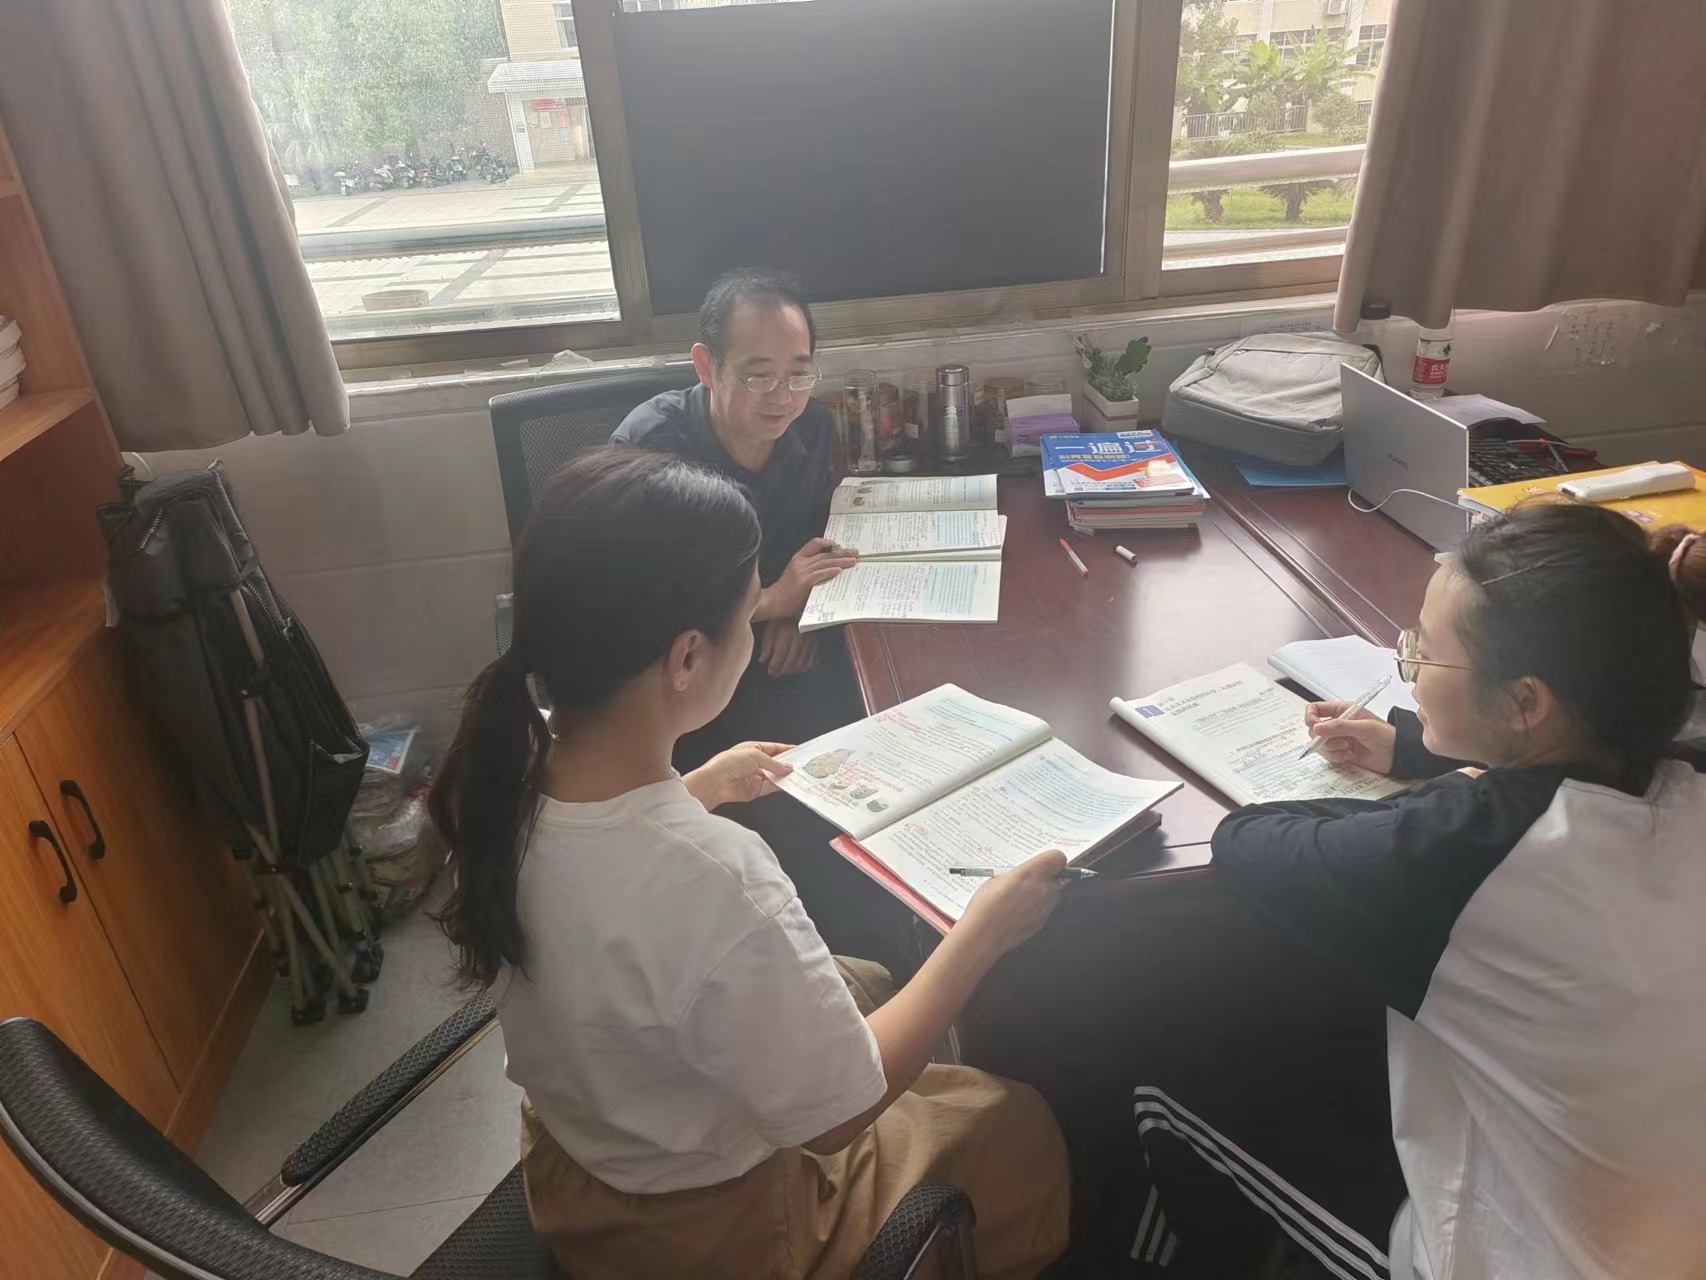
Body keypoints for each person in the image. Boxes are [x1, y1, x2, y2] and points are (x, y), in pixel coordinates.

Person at [428, 446, 1071, 1280]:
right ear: (688, 658)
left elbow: (608, 875)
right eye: (748, 613)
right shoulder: (721, 876)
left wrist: (697, 786)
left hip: (579, 1171)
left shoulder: (499, 788)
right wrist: (981, 934)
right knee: (1014, 1119)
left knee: (866, 981)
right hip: (718, 1233)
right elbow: (836, 1121)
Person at [1133, 504, 1706, 1280]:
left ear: (1525, 702)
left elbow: (1249, 841)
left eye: (1424, 652)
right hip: (1668, 1222)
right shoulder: (1677, 776)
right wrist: (1429, 753)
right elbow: (1564, 774)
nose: (1409, 667)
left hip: (1526, 1258)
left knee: (1169, 1061)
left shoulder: (1467, 855)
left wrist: (1458, 785)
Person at [612, 266, 861, 774]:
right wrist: (774, 602)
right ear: (706, 366)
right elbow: (647, 610)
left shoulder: (810, 426)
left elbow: (814, 544)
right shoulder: (649, 450)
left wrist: (801, 616)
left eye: (799, 374)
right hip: (682, 677)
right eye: (759, 376)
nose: (783, 396)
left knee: (868, 727)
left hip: (773, 654)